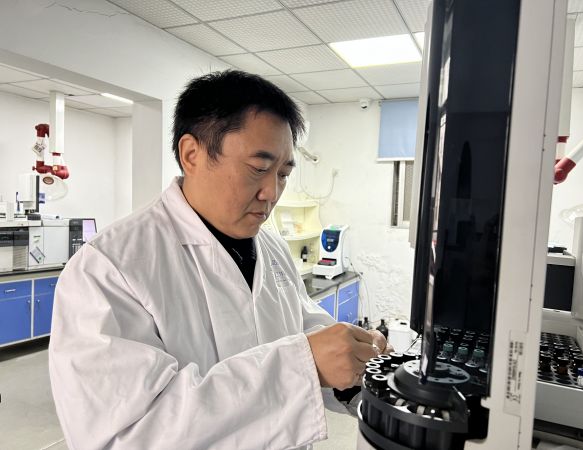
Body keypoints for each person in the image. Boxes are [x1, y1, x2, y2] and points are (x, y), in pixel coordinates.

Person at [49, 70, 390, 450]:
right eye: (259, 168)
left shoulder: (271, 248)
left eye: (283, 174)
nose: (271, 192)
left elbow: (305, 329)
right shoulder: (109, 269)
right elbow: (129, 434)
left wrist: (361, 365)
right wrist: (301, 367)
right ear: (192, 155)